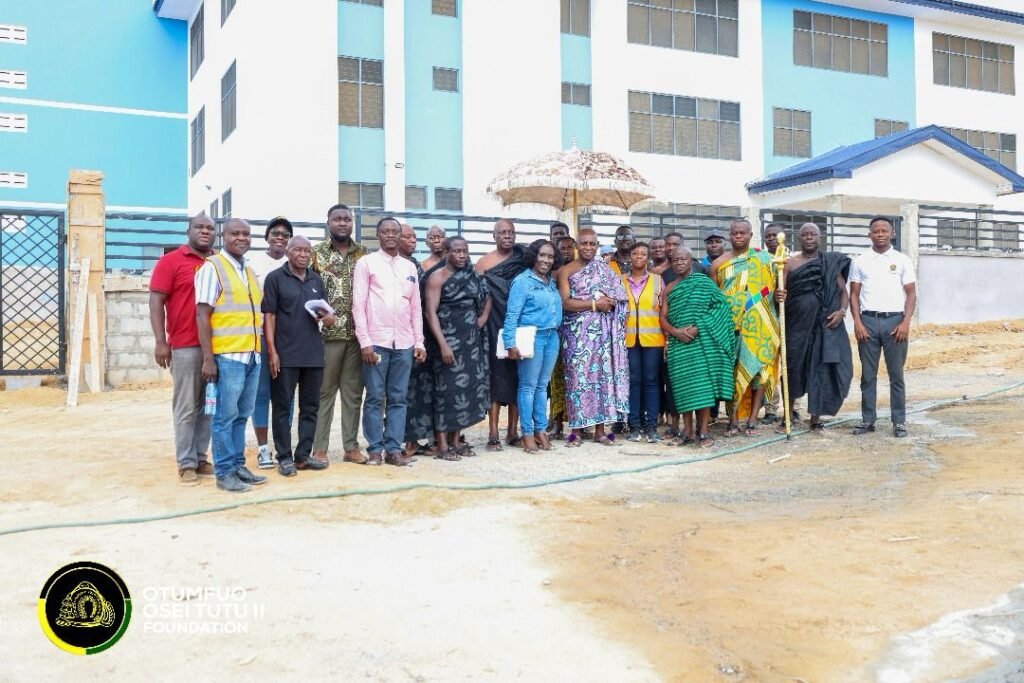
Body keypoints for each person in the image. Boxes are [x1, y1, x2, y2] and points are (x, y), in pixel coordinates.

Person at [195, 218, 268, 493]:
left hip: (251, 355)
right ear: (223, 237)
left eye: (246, 234)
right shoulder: (212, 268)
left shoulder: (248, 270)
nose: (241, 238)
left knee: (241, 415)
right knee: (224, 417)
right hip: (227, 357)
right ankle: (224, 471)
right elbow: (202, 315)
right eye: (235, 233)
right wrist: (208, 358)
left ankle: (238, 465)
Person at [352, 217, 427, 466]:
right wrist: (365, 342)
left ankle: (394, 449)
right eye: (386, 232)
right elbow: (358, 306)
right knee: (374, 397)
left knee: (398, 398)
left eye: (396, 232)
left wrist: (419, 342)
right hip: (377, 342)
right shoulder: (366, 263)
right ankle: (375, 449)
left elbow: (415, 308)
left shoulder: (409, 267)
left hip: (404, 344)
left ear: (401, 235)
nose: (391, 235)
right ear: (378, 235)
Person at [149, 213, 216, 486]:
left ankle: (201, 457)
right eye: (199, 227)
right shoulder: (171, 262)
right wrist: (160, 341)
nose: (205, 231)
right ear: (188, 231)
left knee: (207, 407)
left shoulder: (217, 262)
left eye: (210, 228)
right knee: (186, 406)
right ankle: (186, 463)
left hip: (216, 347)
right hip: (185, 346)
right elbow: (156, 302)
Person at [263, 236, 332, 476]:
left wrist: (326, 317)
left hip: (313, 354)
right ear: (288, 252)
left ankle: (303, 456)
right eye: (298, 250)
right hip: (285, 354)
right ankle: (284, 457)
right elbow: (269, 316)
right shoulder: (275, 279)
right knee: (282, 408)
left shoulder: (316, 280)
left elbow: (328, 316)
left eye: (307, 251)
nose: (303, 254)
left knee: (310, 407)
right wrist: (272, 351)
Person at [557, 228, 629, 446]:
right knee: (577, 380)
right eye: (584, 243)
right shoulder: (565, 271)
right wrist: (595, 304)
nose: (588, 248)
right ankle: (576, 431)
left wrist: (611, 302)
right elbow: (565, 303)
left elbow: (620, 296)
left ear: (597, 246)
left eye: (592, 244)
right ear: (577, 245)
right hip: (575, 335)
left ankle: (600, 431)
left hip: (603, 334)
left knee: (601, 380)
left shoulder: (604, 269)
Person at [779, 223, 853, 431]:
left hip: (824, 325)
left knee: (819, 369)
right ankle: (788, 415)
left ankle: (815, 418)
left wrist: (841, 311)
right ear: (799, 238)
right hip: (796, 325)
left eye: (813, 234)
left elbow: (842, 291)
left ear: (819, 238)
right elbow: (780, 292)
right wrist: (779, 295)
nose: (809, 237)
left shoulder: (829, 262)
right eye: (805, 235)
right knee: (792, 367)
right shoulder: (789, 263)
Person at [710, 219, 779, 437]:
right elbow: (714, 298)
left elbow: (775, 286)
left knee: (759, 370)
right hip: (730, 326)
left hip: (761, 325)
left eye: (743, 233)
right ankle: (732, 420)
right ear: (729, 236)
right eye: (734, 233)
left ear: (750, 235)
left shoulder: (766, 259)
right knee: (732, 372)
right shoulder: (718, 264)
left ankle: (752, 419)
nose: (738, 236)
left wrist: (779, 295)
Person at [424, 236, 492, 459]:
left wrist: (481, 319)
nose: (462, 255)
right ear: (446, 252)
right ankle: (442, 445)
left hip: (470, 342)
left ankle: (456, 441)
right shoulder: (437, 277)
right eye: (456, 251)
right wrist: (443, 344)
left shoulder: (473, 275)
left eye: (465, 251)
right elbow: (430, 313)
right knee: (446, 392)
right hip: (447, 342)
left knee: (465, 390)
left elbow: (487, 296)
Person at [660, 248, 735, 448]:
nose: (679, 263)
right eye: (675, 260)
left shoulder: (704, 283)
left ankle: (703, 431)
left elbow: (721, 308)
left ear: (691, 261)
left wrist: (697, 328)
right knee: (684, 389)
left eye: (683, 259)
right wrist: (675, 332)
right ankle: (687, 430)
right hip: (679, 345)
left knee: (702, 389)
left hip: (701, 343)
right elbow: (663, 318)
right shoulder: (669, 288)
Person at [849, 217, 917, 438]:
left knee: (896, 376)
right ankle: (868, 420)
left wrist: (906, 322)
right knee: (868, 376)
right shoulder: (860, 261)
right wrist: (857, 322)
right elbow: (854, 295)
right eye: (875, 231)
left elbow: (911, 293)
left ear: (892, 233)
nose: (880, 234)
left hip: (895, 323)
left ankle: (899, 422)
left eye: (884, 230)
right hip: (867, 322)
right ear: (869, 235)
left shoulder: (902, 260)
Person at [311, 204, 368, 465]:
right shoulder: (315, 254)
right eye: (337, 219)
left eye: (347, 219)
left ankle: (351, 447)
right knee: (324, 393)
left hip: (357, 335)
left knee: (353, 393)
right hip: (326, 336)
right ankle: (319, 448)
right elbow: (307, 293)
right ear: (328, 222)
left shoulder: (364, 255)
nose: (343, 223)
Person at [504, 239, 563, 453]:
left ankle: (540, 430)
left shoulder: (550, 282)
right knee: (528, 387)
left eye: (550, 256)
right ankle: (527, 433)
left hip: (551, 337)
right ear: (533, 256)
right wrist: (509, 343)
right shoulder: (522, 281)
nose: (546, 260)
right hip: (532, 338)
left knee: (541, 386)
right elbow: (512, 314)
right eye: (542, 255)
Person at [475, 219, 527, 451]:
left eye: (511, 232)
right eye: (502, 232)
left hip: (521, 324)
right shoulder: (483, 262)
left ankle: (513, 432)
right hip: (493, 324)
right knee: (496, 378)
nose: (507, 236)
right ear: (493, 236)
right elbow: (476, 294)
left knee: (518, 375)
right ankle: (493, 433)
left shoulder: (524, 257)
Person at [247, 216, 292, 468]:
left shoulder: (295, 262)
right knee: (261, 393)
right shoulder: (253, 265)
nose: (280, 237)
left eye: (285, 234)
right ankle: (263, 449)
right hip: (263, 338)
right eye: (275, 233)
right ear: (266, 237)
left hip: (289, 340)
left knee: (286, 396)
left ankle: (284, 447)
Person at [622, 242, 664, 443]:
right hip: (628, 340)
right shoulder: (620, 281)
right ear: (629, 257)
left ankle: (651, 427)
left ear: (648, 258)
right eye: (635, 253)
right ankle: (634, 426)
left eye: (643, 254)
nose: (639, 256)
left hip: (653, 340)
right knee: (633, 381)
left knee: (651, 382)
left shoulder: (657, 280)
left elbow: (664, 310)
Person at [759, 223, 785, 424]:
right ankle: (770, 408)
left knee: (788, 366)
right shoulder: (759, 261)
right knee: (768, 366)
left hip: (788, 319)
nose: (771, 239)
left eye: (774, 235)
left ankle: (794, 408)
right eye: (767, 236)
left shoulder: (791, 259)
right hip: (765, 320)